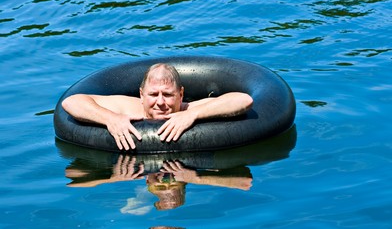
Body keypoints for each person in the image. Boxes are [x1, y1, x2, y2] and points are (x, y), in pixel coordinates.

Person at [62, 63, 253, 150]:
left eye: (168, 95)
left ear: (181, 94)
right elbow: (71, 102)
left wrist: (193, 115)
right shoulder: (128, 107)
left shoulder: (188, 108)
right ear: (141, 95)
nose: (160, 102)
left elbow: (244, 100)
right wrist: (110, 119)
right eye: (153, 94)